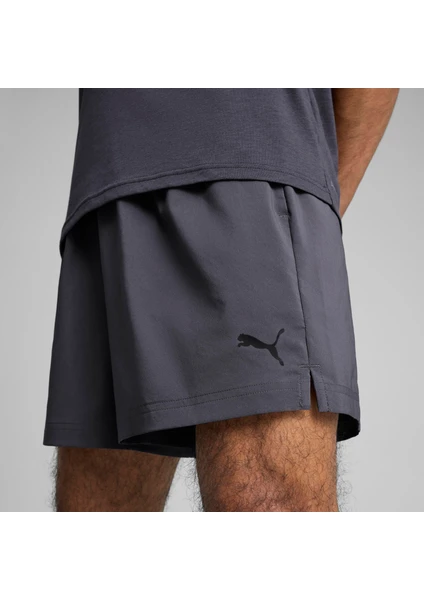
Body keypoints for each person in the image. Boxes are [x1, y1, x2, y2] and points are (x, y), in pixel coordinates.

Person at [43, 88, 398, 511]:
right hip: (103, 193)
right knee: (94, 513)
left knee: (265, 499)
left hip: (247, 160)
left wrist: (314, 191)